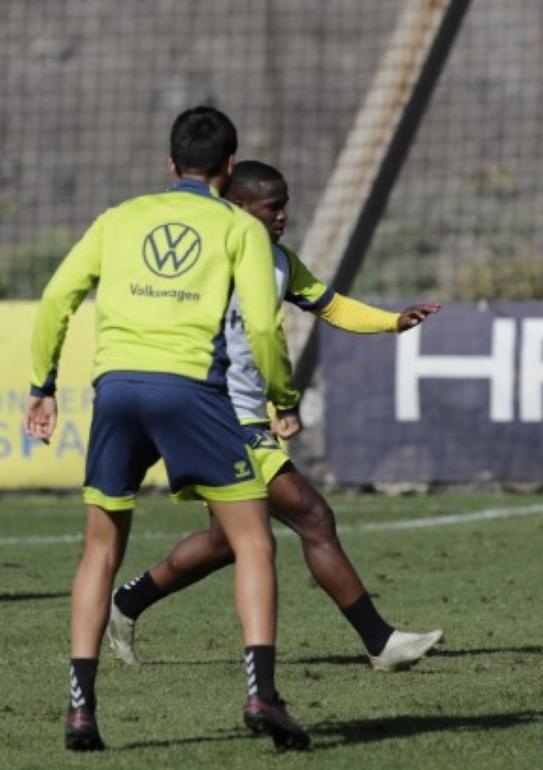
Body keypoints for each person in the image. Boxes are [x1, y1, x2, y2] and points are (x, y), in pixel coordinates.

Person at [24, 108, 310, 751]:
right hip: (191, 394)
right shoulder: (241, 227)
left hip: (117, 389)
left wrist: (41, 388)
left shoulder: (117, 218)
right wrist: (283, 397)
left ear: (170, 162)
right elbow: (264, 329)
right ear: (230, 166)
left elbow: (56, 298)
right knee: (253, 539)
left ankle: (79, 710)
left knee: (100, 549)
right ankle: (262, 692)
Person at [105, 160, 444, 672]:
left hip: (244, 419)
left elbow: (331, 305)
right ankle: (380, 642)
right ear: (239, 207)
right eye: (273, 206)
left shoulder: (280, 262)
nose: (284, 215)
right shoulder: (207, 256)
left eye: (286, 204)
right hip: (216, 414)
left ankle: (125, 605)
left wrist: (392, 322)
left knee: (224, 543)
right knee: (313, 516)